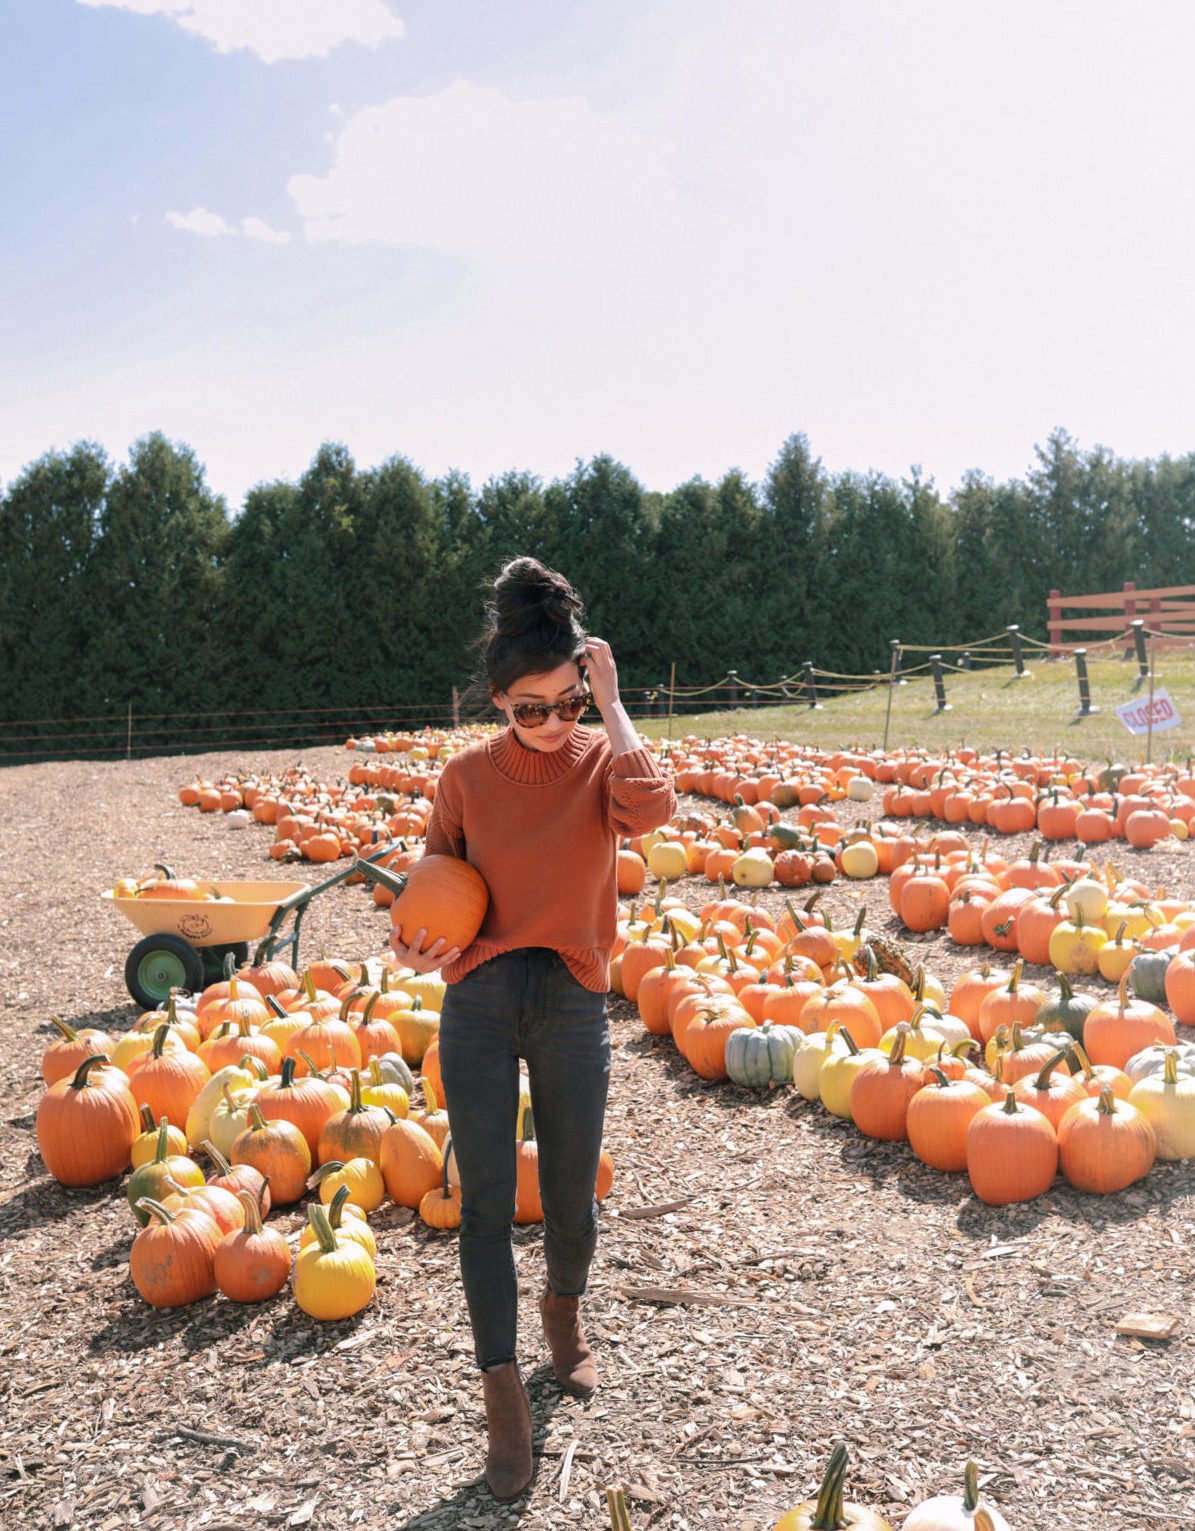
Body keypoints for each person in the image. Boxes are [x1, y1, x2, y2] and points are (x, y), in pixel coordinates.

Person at [388, 557, 675, 1501]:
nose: (552, 726)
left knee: (568, 1196)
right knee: (480, 1204)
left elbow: (653, 808)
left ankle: (564, 1314)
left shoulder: (598, 763)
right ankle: (503, 1401)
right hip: (476, 998)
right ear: (497, 702)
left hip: (569, 994)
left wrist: (617, 705)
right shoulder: (466, 777)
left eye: (569, 705)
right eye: (529, 709)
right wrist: (418, 944)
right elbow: (436, 882)